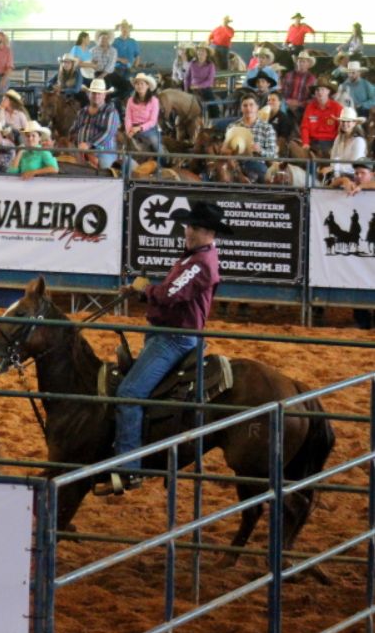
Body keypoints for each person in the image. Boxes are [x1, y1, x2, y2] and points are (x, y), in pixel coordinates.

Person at [95, 200, 229, 495]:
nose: (187, 231)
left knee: (129, 393)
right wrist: (143, 293)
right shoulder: (196, 258)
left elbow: (170, 294)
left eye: (192, 227)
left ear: (206, 231)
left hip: (175, 337)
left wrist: (144, 289)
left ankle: (129, 471)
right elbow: (171, 295)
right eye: (188, 226)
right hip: (166, 333)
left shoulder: (200, 262)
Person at [69, 78, 119, 170]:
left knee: (105, 167)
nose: (96, 96)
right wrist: (71, 138)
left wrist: (88, 144)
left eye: (99, 93)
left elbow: (108, 133)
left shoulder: (110, 111)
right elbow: (74, 129)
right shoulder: (82, 112)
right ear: (88, 95)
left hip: (103, 151)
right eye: (93, 93)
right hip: (80, 150)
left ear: (104, 95)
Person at [229, 94, 277, 181]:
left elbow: (273, 155)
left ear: (257, 107)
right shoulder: (232, 127)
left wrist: (260, 150)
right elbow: (225, 150)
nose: (248, 108)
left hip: (256, 163)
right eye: (245, 105)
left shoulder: (267, 128)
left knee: (260, 170)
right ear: (241, 108)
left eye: (251, 105)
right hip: (234, 164)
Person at [301, 78, 343, 155]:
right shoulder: (310, 107)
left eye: (323, 89)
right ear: (314, 92)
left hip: (331, 144)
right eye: (317, 90)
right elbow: (305, 127)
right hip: (312, 144)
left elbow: (341, 128)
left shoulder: (337, 107)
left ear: (328, 91)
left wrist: (337, 146)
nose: (320, 92)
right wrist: (305, 143)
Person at [324, 107, 367, 181]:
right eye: (343, 121)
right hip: (337, 177)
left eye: (348, 121)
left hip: (354, 178)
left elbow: (355, 165)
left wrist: (334, 168)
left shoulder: (359, 141)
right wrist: (334, 169)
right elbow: (332, 158)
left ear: (354, 123)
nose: (345, 124)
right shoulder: (338, 138)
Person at [125, 73, 161, 155]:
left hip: (149, 128)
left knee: (156, 144)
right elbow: (128, 117)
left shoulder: (154, 100)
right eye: (137, 84)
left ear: (147, 86)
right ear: (135, 86)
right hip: (132, 128)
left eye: (142, 84)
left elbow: (153, 121)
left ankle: (163, 163)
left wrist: (139, 128)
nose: (139, 86)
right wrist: (128, 130)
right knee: (122, 145)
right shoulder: (130, 100)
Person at [184, 45, 219, 118]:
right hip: (192, 89)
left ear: (207, 54)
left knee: (213, 106)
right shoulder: (192, 64)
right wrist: (186, 88)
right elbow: (187, 77)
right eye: (199, 51)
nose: (201, 53)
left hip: (205, 89)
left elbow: (210, 81)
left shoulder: (210, 65)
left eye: (203, 51)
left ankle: (215, 121)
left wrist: (198, 86)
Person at [280, 51, 317, 117]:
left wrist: (299, 104)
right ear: (297, 63)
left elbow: (313, 97)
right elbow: (282, 92)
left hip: (303, 108)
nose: (301, 63)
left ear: (308, 64)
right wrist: (287, 101)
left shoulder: (312, 79)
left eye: (304, 61)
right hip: (286, 105)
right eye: (299, 61)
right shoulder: (288, 75)